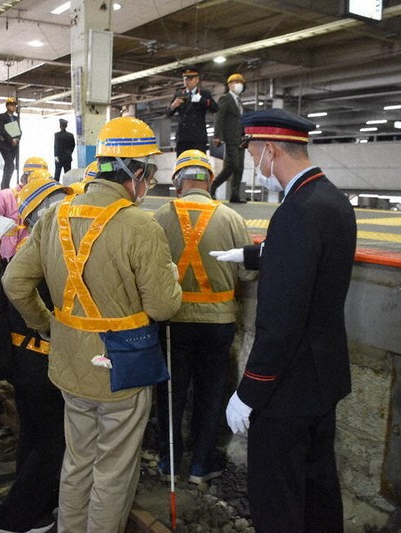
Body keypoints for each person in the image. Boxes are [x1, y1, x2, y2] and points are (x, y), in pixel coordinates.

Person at [2, 116, 182, 532]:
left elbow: (14, 282)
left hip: (69, 365)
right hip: (122, 370)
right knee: (113, 470)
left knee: (78, 459)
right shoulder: (141, 225)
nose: (149, 182)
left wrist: (45, 323)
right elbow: (163, 308)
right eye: (149, 173)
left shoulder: (55, 215)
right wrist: (170, 279)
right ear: (135, 173)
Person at [215, 108, 357, 532]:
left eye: (253, 154)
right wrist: (249, 254)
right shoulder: (332, 200)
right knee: (318, 492)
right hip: (323, 379)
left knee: (278, 500)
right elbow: (309, 260)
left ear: (270, 150)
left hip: (286, 389)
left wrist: (249, 392)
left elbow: (281, 320)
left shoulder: (295, 211)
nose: (255, 166)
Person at [152, 150, 256, 485]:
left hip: (173, 323)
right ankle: (201, 466)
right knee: (211, 395)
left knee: (171, 395)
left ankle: (169, 463)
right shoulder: (231, 219)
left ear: (177, 182)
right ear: (210, 181)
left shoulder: (159, 217)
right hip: (217, 325)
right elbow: (248, 272)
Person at [0, 177, 73, 533]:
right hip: (42, 363)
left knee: (33, 435)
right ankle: (15, 518)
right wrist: (47, 325)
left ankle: (41, 506)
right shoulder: (46, 251)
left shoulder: (29, 247)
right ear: (46, 211)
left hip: (26, 362)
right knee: (53, 441)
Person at [0, 156, 50, 261]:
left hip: (31, 257)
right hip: (5, 257)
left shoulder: (44, 200)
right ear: (24, 178)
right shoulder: (6, 196)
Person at [211, 73, 247, 203]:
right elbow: (219, 117)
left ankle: (235, 195)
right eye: (236, 82)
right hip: (230, 137)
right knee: (232, 164)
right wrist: (217, 135)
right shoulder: (225, 98)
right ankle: (213, 186)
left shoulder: (239, 102)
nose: (239, 85)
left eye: (241, 83)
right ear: (229, 85)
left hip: (241, 138)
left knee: (240, 167)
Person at [166, 67, 218, 155]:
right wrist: (173, 105)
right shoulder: (179, 94)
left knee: (199, 161)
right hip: (182, 137)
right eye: (185, 79)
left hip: (198, 137)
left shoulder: (204, 94)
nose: (187, 81)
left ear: (197, 79)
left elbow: (215, 108)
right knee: (182, 161)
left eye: (190, 79)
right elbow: (168, 113)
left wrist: (202, 100)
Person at [0, 97, 21, 189]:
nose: (14, 107)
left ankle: (4, 186)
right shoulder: (1, 116)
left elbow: (19, 130)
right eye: (12, 105)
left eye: (15, 105)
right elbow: (1, 130)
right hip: (5, 145)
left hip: (14, 146)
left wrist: (17, 139)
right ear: (7, 106)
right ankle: (5, 186)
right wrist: (11, 140)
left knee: (8, 166)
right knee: (10, 165)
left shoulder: (16, 118)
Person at [53, 118, 75, 183]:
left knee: (57, 174)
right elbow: (73, 145)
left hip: (59, 158)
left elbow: (56, 146)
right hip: (68, 157)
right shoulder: (70, 135)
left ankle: (56, 186)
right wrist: (70, 153)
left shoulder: (57, 135)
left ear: (60, 126)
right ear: (66, 126)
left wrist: (55, 155)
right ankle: (68, 185)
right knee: (68, 174)